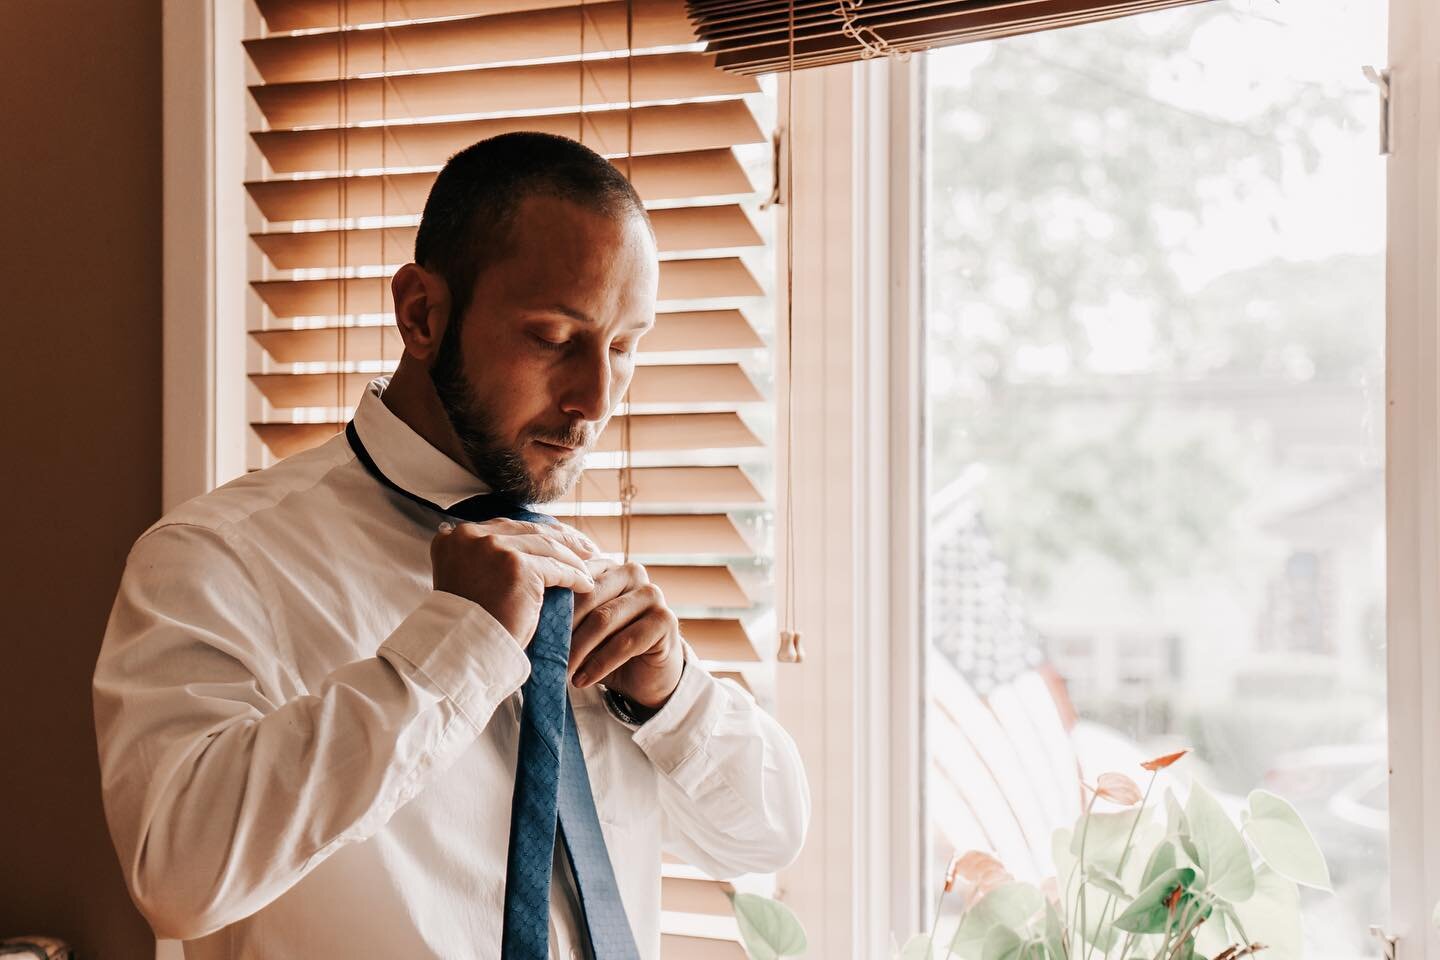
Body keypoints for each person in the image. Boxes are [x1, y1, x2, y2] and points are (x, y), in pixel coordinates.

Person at [92, 131, 811, 960]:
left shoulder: (580, 579)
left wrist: (672, 694)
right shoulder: (218, 560)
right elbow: (177, 874)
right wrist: (456, 647)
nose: (595, 399)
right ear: (422, 314)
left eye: (623, 347)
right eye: (554, 339)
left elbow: (768, 837)